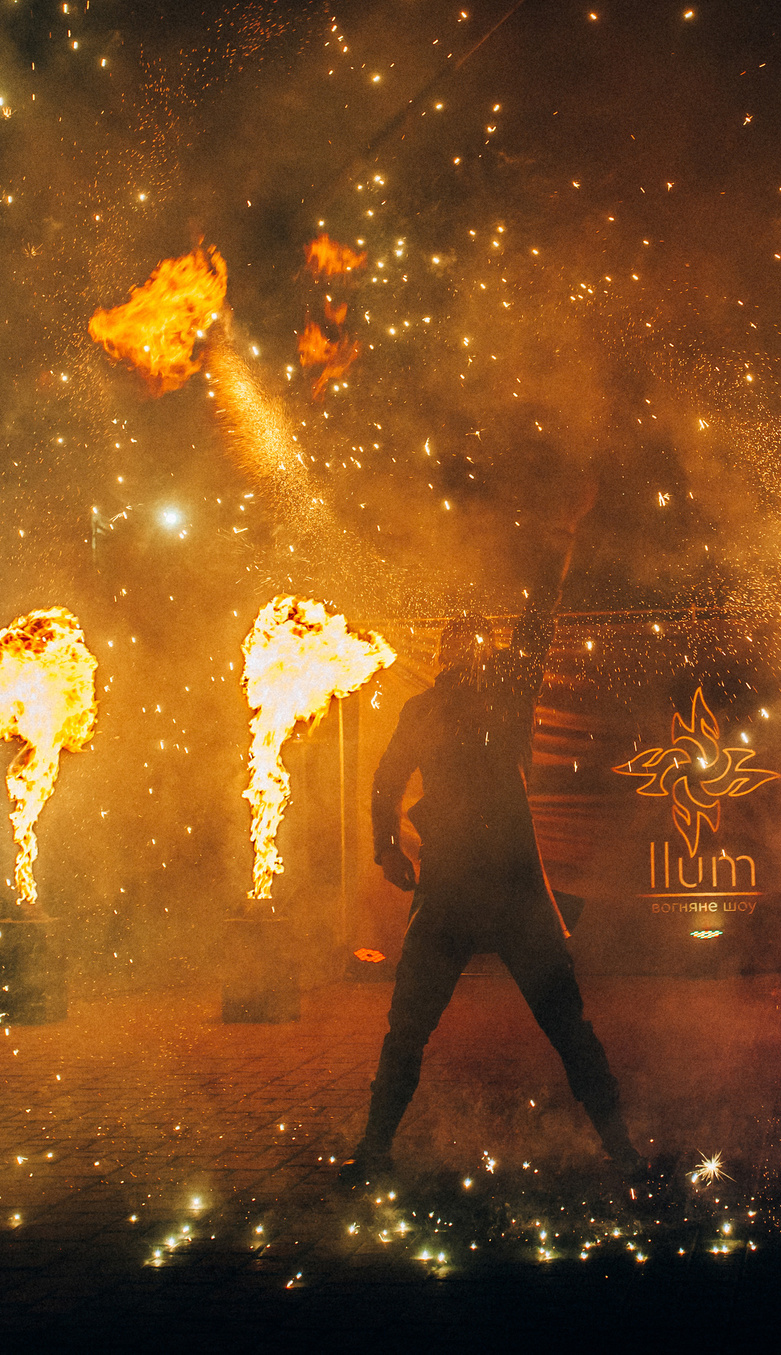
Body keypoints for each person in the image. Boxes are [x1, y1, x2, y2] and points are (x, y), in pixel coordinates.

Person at [342, 483, 646, 1184]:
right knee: (417, 1027)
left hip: (499, 883)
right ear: (455, 653)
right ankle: (377, 1146)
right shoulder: (441, 705)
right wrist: (388, 844)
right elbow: (387, 781)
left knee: (559, 1024)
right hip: (464, 883)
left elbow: (538, 621)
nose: (469, 652)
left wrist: (560, 547)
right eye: (462, 643)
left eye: (471, 642)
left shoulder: (492, 694)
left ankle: (621, 1146)